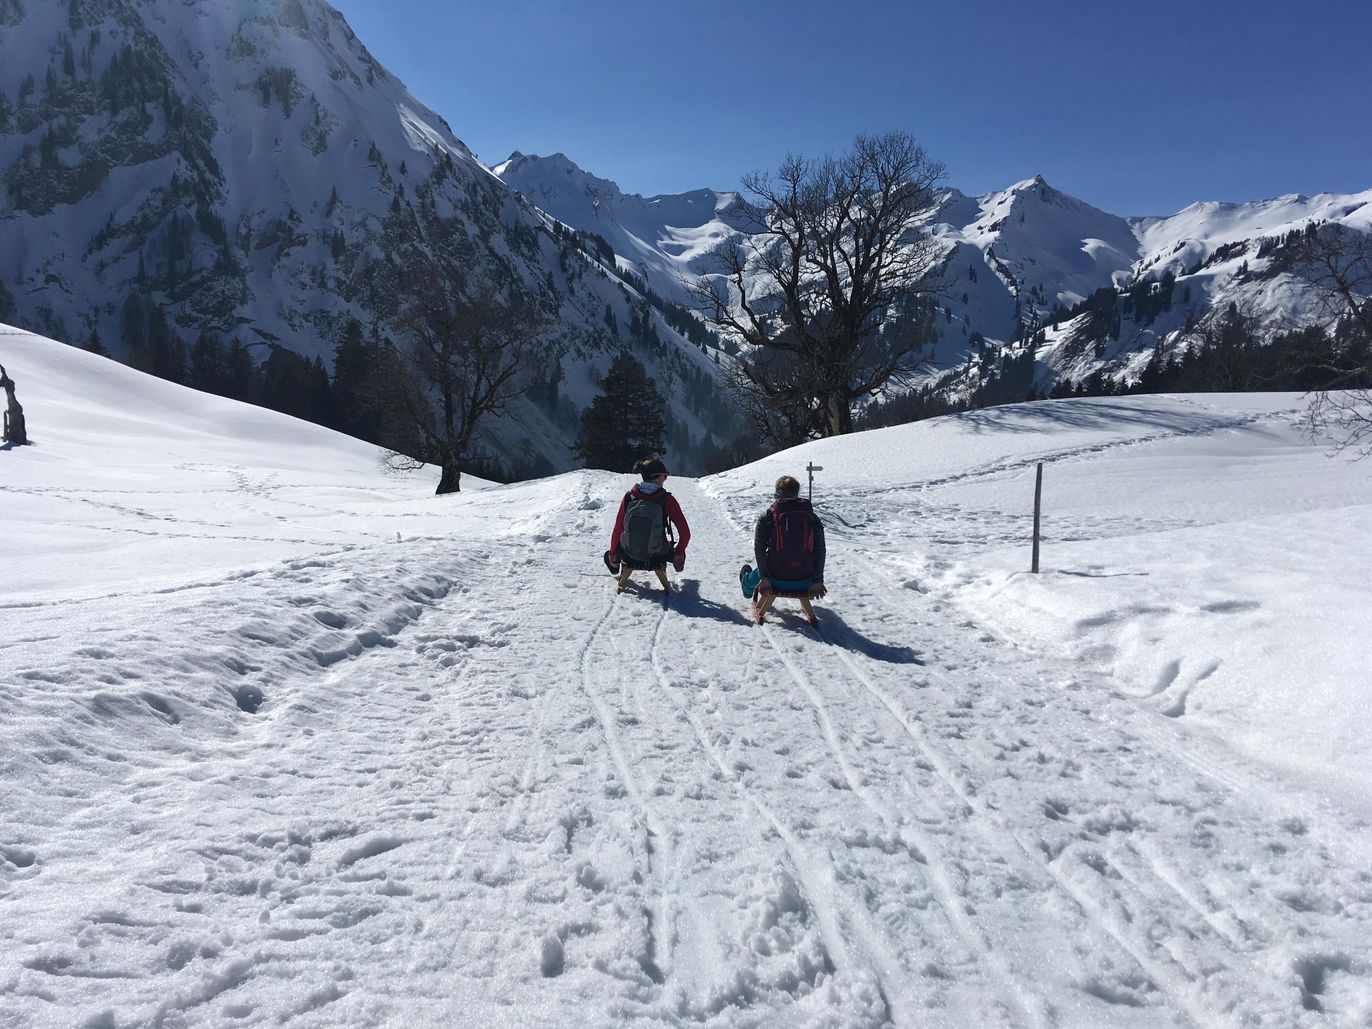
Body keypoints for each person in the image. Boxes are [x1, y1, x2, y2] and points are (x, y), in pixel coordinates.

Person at [740, 474, 826, 607]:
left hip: (775, 580)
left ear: (777, 493)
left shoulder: (768, 516)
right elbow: (820, 549)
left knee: (766, 563)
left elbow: (759, 547)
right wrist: (818, 580)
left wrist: (764, 578)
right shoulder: (812, 517)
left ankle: (747, 586)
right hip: (806, 580)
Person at [604, 458, 690, 588]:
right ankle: (678, 565)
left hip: (628, 554)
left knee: (608, 554)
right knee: (680, 552)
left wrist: (612, 553)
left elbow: (618, 529)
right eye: (664, 476)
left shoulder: (629, 497)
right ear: (657, 477)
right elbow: (685, 534)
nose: (665, 480)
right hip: (658, 555)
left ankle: (615, 567)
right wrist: (678, 553)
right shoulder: (667, 500)